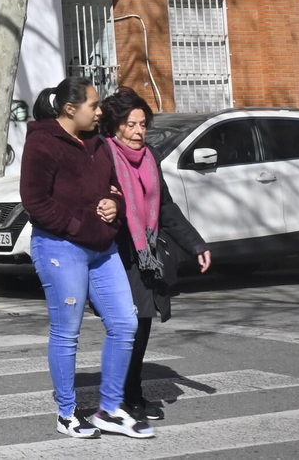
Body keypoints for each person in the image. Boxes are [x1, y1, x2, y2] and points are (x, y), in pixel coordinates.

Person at [20, 76, 151, 440]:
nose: (99, 112)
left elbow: (114, 187)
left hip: (103, 250)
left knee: (125, 324)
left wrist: (115, 204)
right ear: (69, 108)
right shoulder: (43, 143)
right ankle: (66, 413)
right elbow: (34, 201)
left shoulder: (98, 143)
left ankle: (109, 409)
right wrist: (78, 225)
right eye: (93, 106)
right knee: (67, 332)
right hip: (60, 248)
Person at [102, 87, 211, 422]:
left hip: (146, 252)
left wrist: (196, 244)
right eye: (131, 125)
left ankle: (131, 392)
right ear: (116, 126)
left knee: (142, 324)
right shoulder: (104, 156)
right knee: (128, 327)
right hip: (117, 253)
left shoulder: (150, 158)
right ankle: (123, 396)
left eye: (143, 124)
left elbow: (164, 206)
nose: (139, 132)